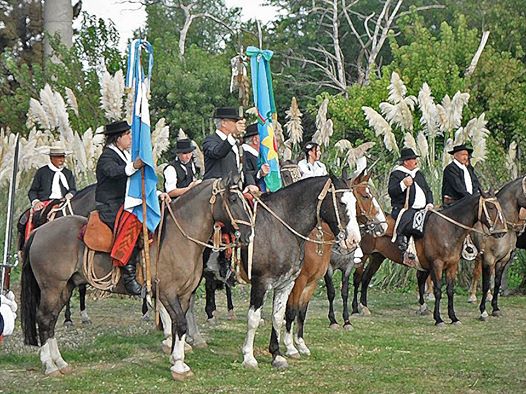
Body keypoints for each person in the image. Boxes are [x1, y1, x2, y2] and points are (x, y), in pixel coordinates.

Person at [95, 120, 170, 295]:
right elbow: (114, 172)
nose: (130, 138)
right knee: (133, 225)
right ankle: (128, 276)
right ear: (117, 138)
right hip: (110, 205)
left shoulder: (125, 155)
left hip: (126, 203)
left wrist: (158, 194)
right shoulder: (107, 156)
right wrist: (134, 166)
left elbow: (136, 183)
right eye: (127, 135)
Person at [388, 148, 433, 257]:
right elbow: (392, 192)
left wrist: (430, 202)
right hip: (404, 208)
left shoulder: (418, 174)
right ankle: (402, 241)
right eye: (413, 159)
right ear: (406, 162)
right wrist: (403, 184)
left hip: (424, 208)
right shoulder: (397, 174)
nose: (415, 161)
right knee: (407, 218)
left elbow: (427, 190)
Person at [28, 142, 77, 211]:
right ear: (51, 158)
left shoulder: (68, 173)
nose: (62, 160)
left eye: (63, 157)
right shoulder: (42, 172)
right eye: (58, 157)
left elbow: (73, 189)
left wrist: (70, 195)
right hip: (45, 203)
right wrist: (36, 201)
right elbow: (33, 191)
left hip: (64, 202)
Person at [203, 107, 246, 180]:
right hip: (216, 188)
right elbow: (217, 152)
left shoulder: (236, 143)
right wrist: (233, 135)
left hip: (234, 187)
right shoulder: (210, 140)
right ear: (224, 123)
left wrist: (249, 184)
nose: (237, 125)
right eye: (234, 121)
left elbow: (244, 168)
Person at [242, 123, 270, 190]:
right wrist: (260, 173)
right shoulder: (245, 155)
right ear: (255, 140)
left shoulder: (259, 156)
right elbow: (246, 174)